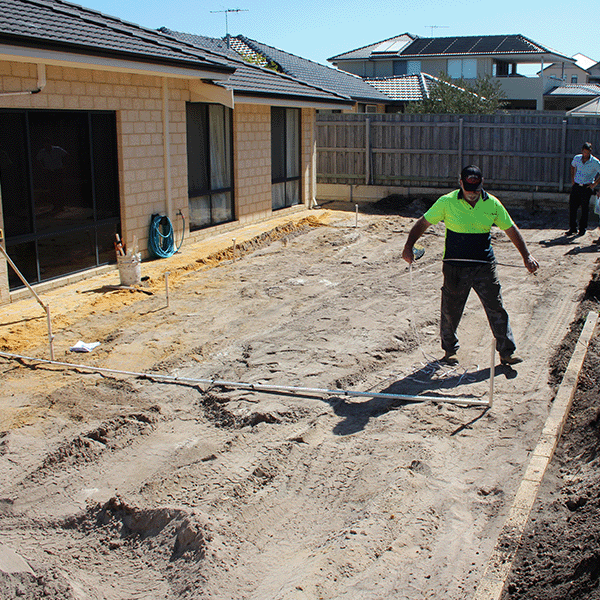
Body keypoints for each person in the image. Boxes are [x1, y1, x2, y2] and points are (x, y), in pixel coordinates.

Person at [402, 165, 539, 366]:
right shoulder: (447, 202)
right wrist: (408, 246)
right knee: (450, 310)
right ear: (461, 184)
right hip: (454, 267)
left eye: (476, 189)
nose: (472, 193)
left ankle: (507, 352)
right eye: (468, 189)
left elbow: (510, 229)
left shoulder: (492, 203)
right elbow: (423, 223)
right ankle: (450, 351)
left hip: (484, 266)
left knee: (496, 308)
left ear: (481, 184)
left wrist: (526, 256)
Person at [567, 142, 600, 236]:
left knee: (584, 209)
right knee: (572, 207)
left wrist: (595, 184)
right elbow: (572, 166)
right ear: (582, 151)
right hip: (577, 185)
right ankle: (572, 228)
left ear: (590, 152)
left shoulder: (595, 162)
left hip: (586, 187)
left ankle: (582, 228)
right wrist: (573, 179)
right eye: (584, 152)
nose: (586, 154)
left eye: (587, 152)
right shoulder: (577, 158)